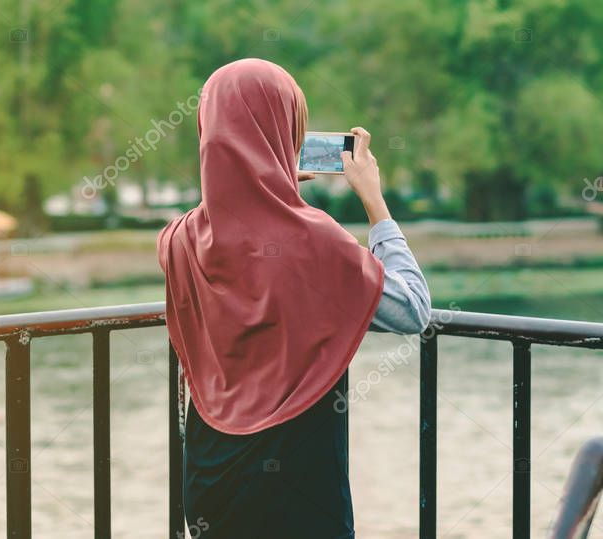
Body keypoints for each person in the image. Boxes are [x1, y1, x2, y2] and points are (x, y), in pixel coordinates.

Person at [157, 58, 431, 538]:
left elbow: (230, 230)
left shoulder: (178, 239)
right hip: (300, 481)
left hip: (207, 474)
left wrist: (255, 183)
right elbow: (413, 311)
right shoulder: (317, 241)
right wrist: (374, 201)